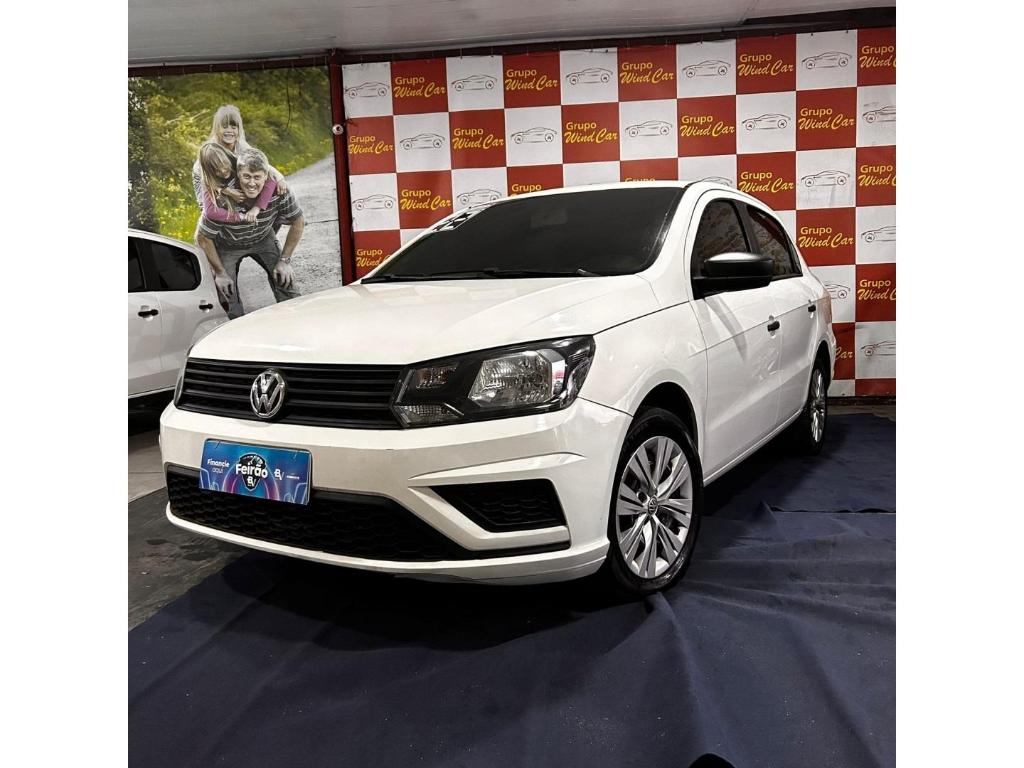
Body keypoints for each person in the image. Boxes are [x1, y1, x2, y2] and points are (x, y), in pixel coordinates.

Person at [195, 147, 304, 319]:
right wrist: (220, 272)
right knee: (226, 295)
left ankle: (295, 321)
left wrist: (284, 261)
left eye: (257, 177)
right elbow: (202, 237)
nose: (252, 183)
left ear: (266, 176)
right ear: (238, 174)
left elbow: (298, 221)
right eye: (246, 177)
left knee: (287, 283)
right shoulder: (221, 196)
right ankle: (236, 327)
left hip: (263, 238)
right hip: (228, 245)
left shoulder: (278, 189)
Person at [191, 105, 287, 217]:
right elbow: (206, 179)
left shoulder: (240, 146)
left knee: (269, 183)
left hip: (228, 186)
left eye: (233, 127)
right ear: (217, 129)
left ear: (239, 129)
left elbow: (261, 164)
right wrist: (228, 191)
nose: (229, 131)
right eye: (225, 127)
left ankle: (272, 217)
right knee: (214, 214)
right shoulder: (211, 150)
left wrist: (280, 178)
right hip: (210, 190)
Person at [195, 140, 278, 225]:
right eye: (216, 170)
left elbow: (271, 180)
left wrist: (257, 208)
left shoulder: (240, 162)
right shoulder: (208, 181)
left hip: (257, 207)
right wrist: (239, 217)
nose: (223, 171)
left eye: (224, 164)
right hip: (235, 216)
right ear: (209, 172)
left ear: (227, 156)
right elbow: (210, 212)